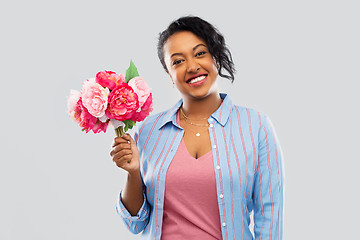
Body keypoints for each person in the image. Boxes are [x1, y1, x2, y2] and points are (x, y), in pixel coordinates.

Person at [110, 16, 284, 240]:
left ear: (216, 58)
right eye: (178, 61)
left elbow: (269, 216)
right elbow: (136, 223)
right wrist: (133, 173)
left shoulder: (256, 126)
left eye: (200, 53)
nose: (192, 66)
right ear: (169, 75)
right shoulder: (149, 131)